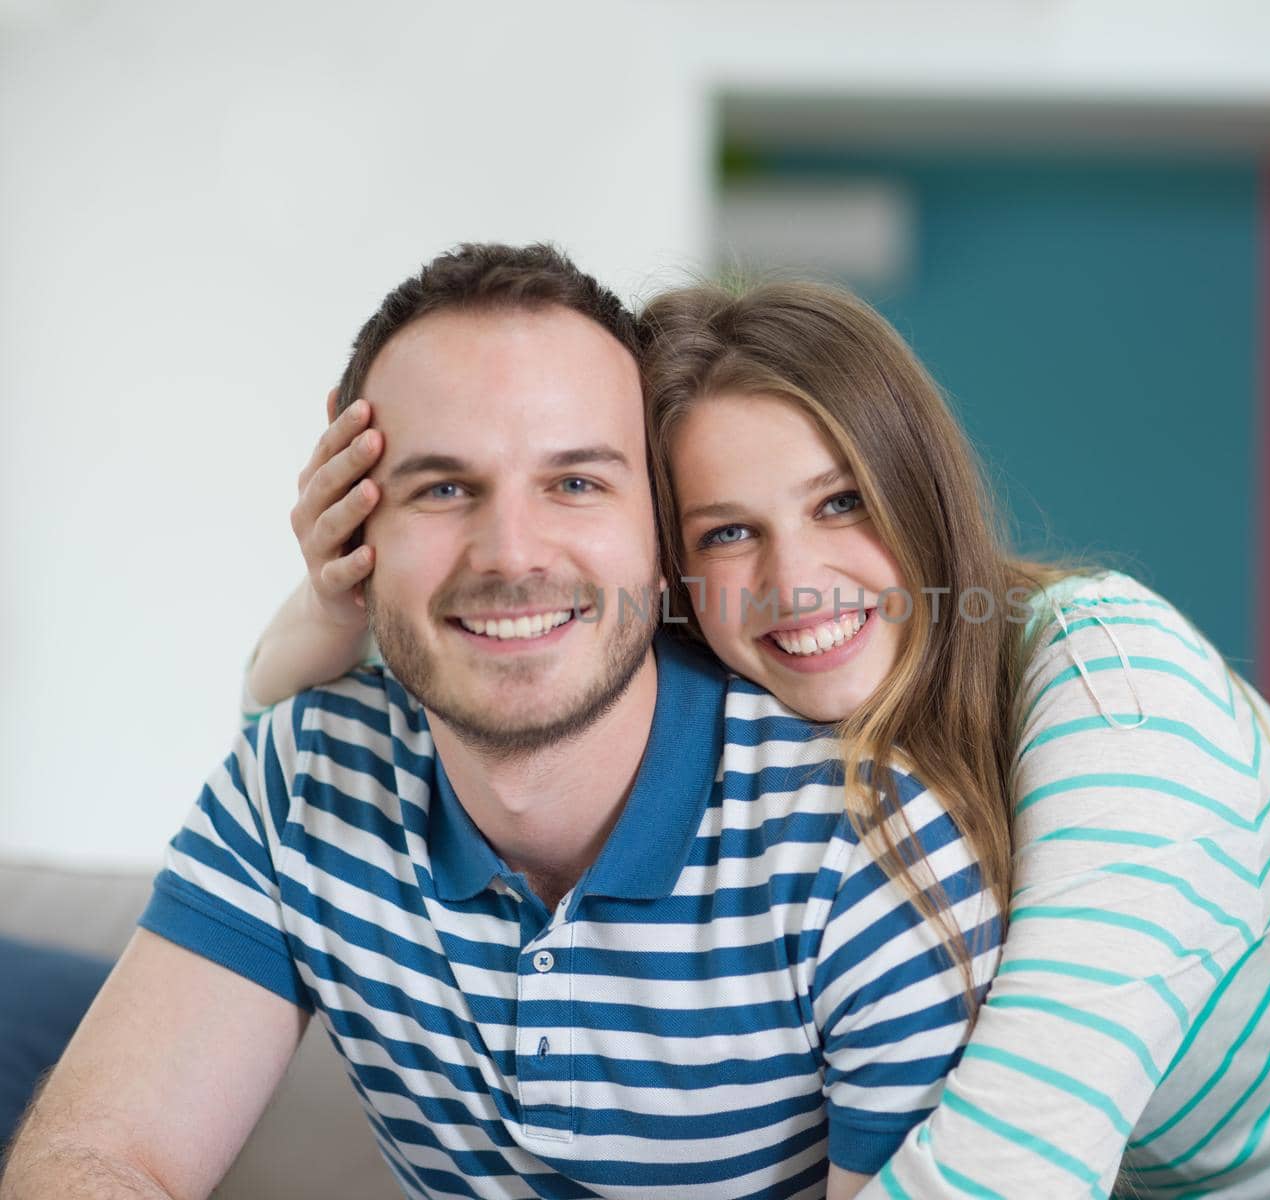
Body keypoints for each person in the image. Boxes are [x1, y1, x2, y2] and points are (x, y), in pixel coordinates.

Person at [248, 272, 1270, 1199]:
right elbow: (425, 753)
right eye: (728, 532)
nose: (797, 583)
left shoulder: (1114, 690)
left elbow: (1009, 1166)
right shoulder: (763, 713)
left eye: (841, 502)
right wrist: (338, 602)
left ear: (919, 488)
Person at [0, 246, 999, 1200]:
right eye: (443, 487)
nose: (511, 553)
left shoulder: (869, 849)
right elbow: (96, 1151)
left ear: (658, 540)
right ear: (352, 534)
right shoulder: (296, 777)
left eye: (574, 482)